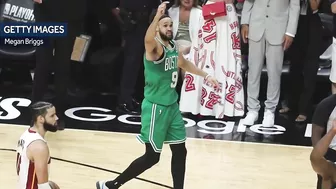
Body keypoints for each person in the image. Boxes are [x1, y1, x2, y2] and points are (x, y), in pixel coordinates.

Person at [96, 2, 219, 189]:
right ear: (157, 28)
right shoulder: (155, 49)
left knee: (180, 151)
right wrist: (156, 18)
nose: (169, 28)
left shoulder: (171, 46)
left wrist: (206, 76)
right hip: (156, 108)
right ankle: (113, 184)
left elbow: (184, 64)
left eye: (170, 25)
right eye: (165, 25)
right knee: (152, 157)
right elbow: (147, 39)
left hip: (171, 107)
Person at [240, 0, 300, 127]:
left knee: (274, 72)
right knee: (253, 71)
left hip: (278, 29)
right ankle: (252, 110)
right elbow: (249, 2)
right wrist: (245, 22)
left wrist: (290, 32)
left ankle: (270, 111)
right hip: (256, 25)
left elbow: (295, 6)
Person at [16, 101, 59, 189]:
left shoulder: (26, 134)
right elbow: (43, 186)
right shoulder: (40, 147)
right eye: (52, 116)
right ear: (41, 119)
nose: (56, 118)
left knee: (53, 186)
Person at [311, 94, 336, 189]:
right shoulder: (327, 104)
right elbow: (315, 158)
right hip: (329, 152)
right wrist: (332, 132)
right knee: (327, 178)